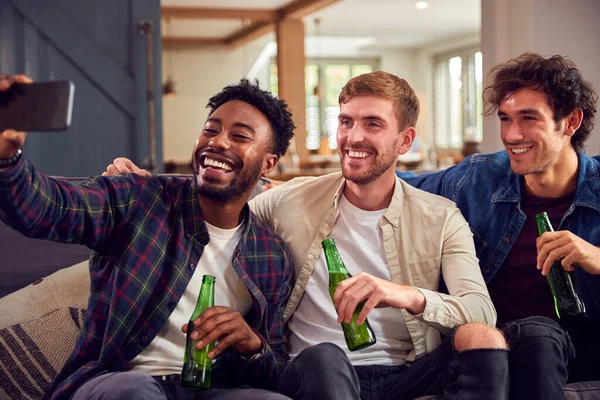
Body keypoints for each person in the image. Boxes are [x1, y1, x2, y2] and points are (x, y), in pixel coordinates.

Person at [106, 71, 571, 399]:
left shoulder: (442, 216)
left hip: (407, 372)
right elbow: (221, 193)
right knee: (327, 354)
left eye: (373, 124)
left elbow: (480, 310)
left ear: (404, 142)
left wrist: (403, 295)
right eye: (346, 121)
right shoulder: (290, 200)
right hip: (315, 371)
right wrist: (146, 187)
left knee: (481, 336)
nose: (353, 137)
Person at [0, 76, 296, 400]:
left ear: (269, 162)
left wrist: (252, 345)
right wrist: (7, 160)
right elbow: (47, 208)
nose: (218, 142)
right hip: (121, 382)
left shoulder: (272, 256)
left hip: (215, 389)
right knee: (135, 391)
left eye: (239, 136)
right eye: (211, 129)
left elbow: (275, 368)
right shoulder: (140, 198)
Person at [396, 52, 600, 384]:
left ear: (571, 122)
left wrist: (596, 256)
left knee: (538, 336)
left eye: (529, 118)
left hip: (579, 350)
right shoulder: (478, 177)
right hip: (492, 352)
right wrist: (290, 185)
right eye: (505, 119)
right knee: (530, 337)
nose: (512, 135)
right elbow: (397, 184)